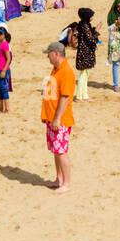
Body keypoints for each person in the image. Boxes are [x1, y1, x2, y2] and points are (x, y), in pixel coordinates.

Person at [41, 42, 75, 193]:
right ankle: (59, 179)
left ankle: (66, 183)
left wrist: (56, 118)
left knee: (61, 151)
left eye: (49, 54)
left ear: (56, 54)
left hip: (60, 119)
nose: (47, 57)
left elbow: (65, 97)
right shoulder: (56, 69)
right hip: (53, 117)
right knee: (56, 150)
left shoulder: (66, 71)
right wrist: (47, 115)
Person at [59, 7, 99, 102]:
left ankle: (84, 96)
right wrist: (97, 31)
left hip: (85, 52)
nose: (92, 17)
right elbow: (91, 39)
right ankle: (79, 96)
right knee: (83, 75)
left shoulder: (84, 25)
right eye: (91, 15)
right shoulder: (85, 26)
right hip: (85, 53)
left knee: (85, 74)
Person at [0, 27, 12, 113]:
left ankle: (7, 107)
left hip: (2, 70)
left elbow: (8, 59)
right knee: (0, 88)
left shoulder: (5, 45)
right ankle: (2, 106)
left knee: (4, 88)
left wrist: (4, 71)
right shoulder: (1, 44)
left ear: (2, 35)